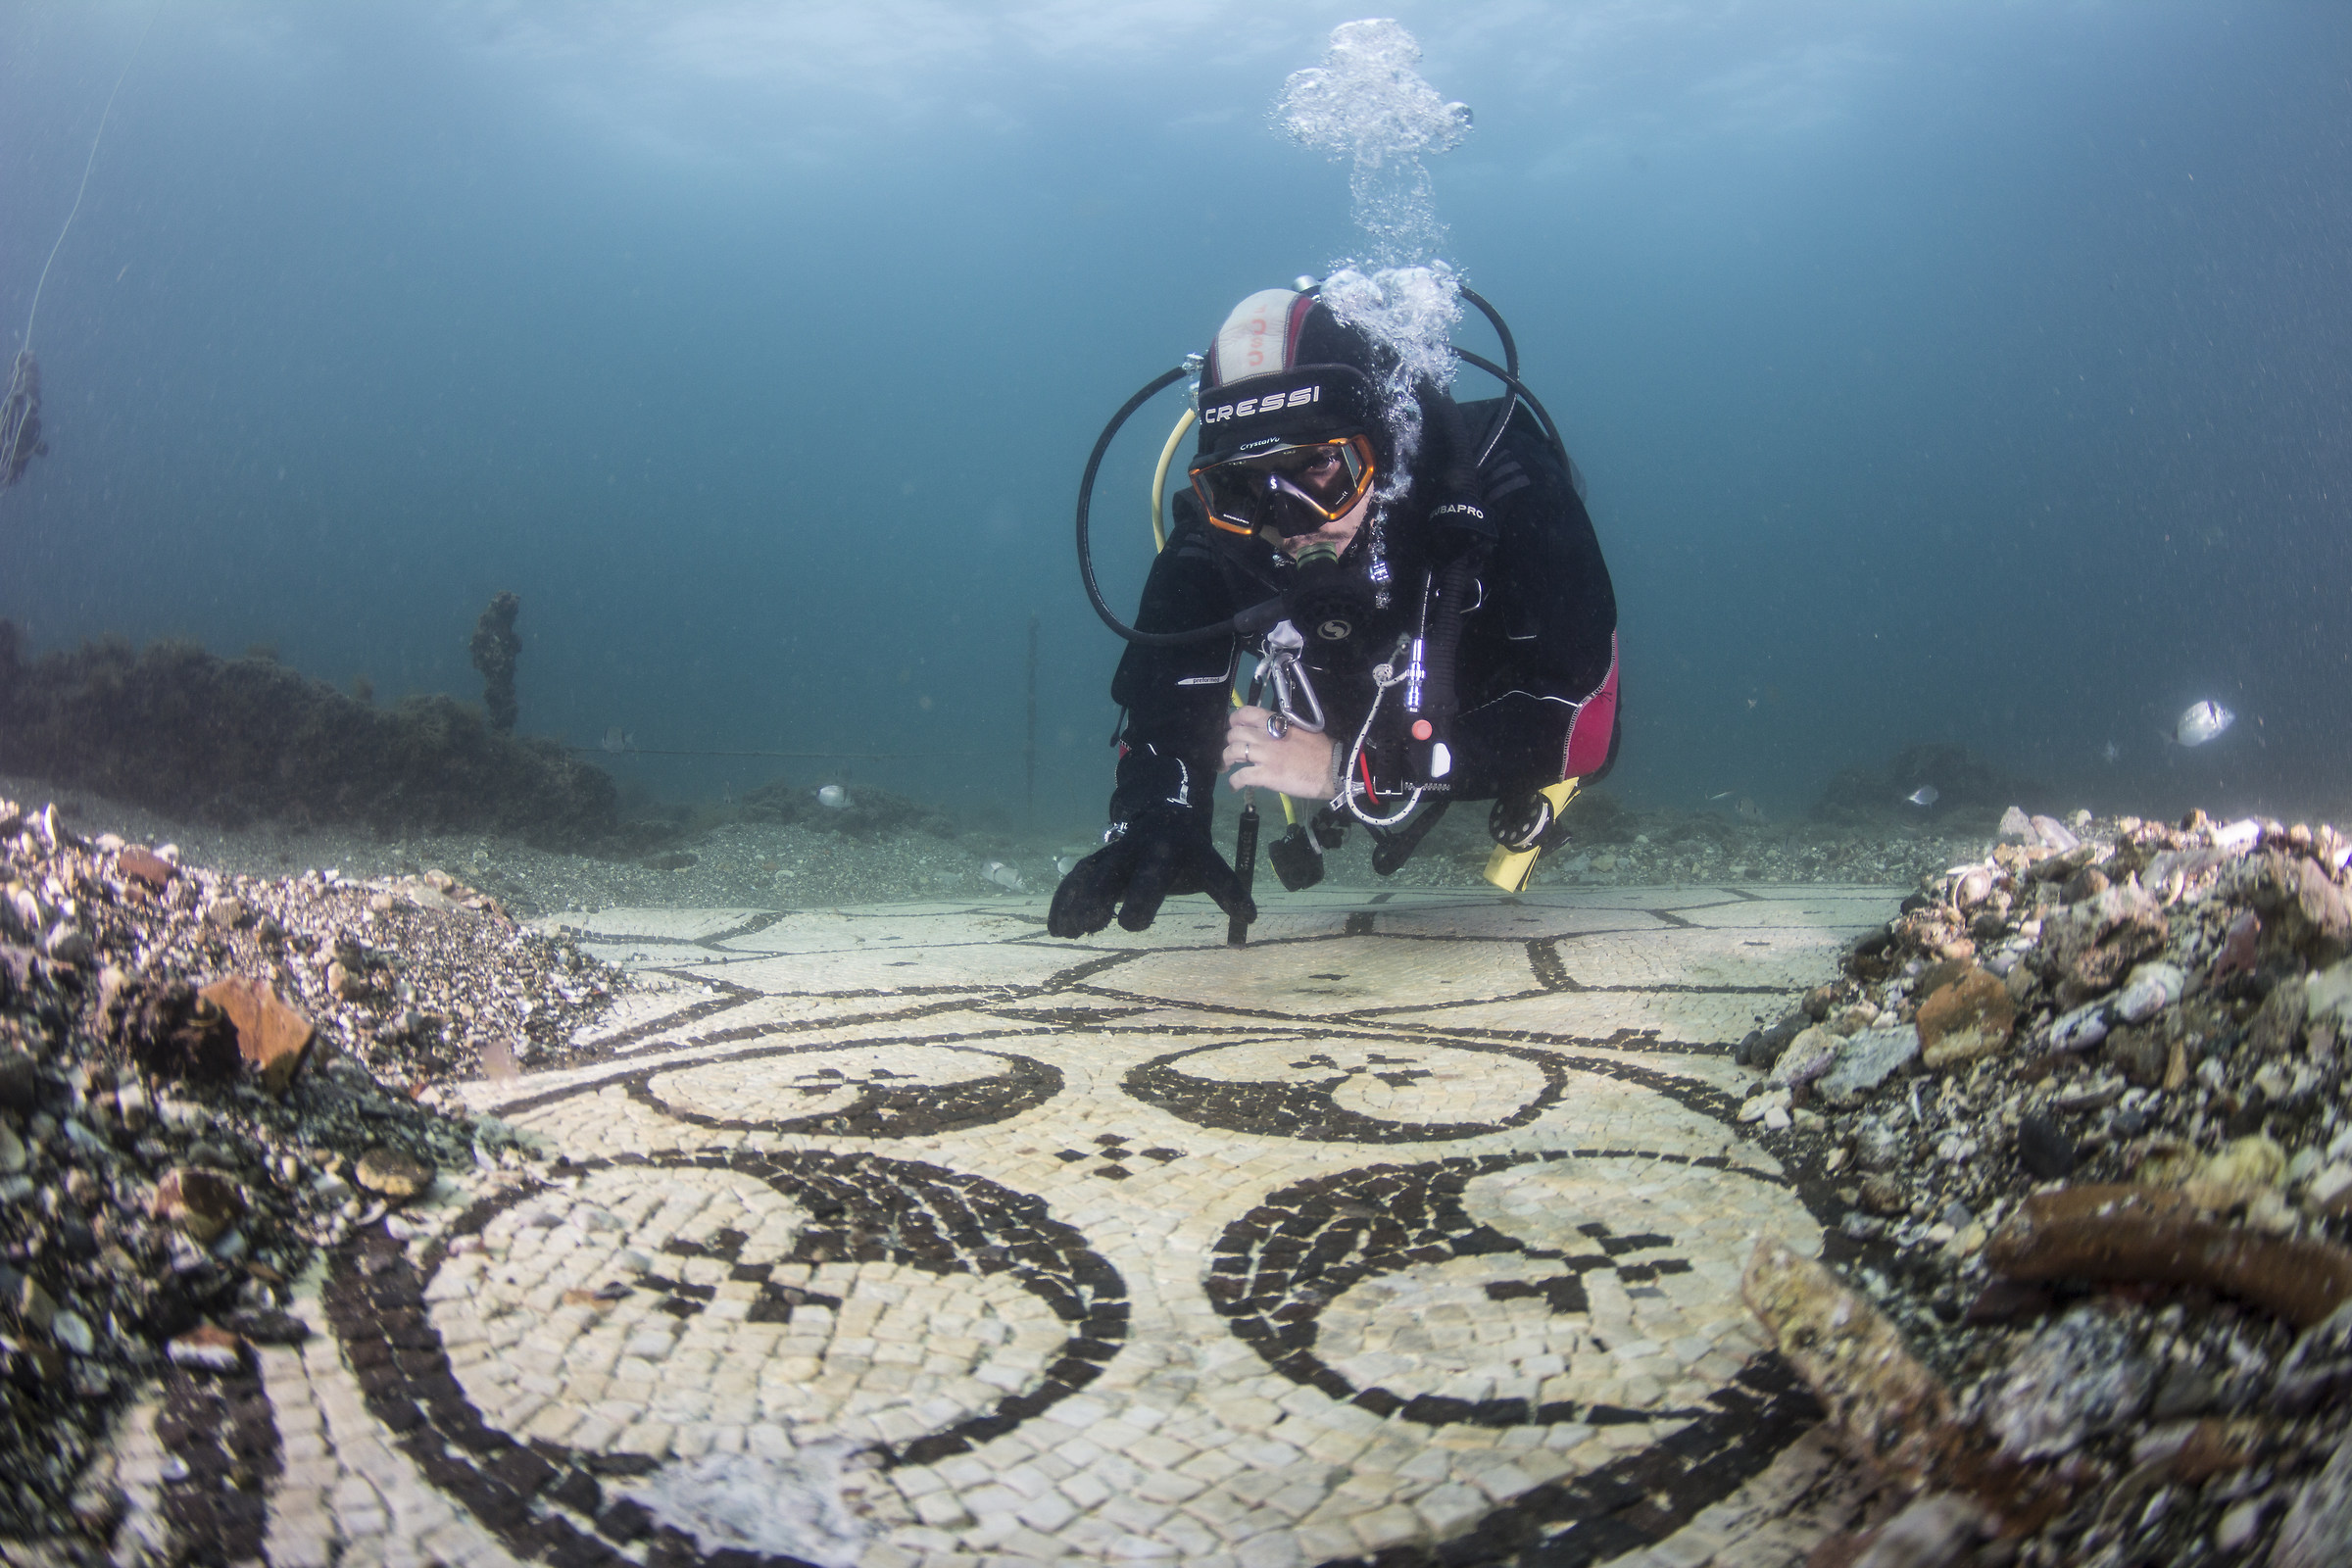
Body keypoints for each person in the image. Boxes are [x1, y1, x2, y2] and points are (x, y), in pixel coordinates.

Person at [1049, 284, 1619, 939]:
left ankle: (1516, 791)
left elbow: (1592, 723)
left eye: (1319, 467)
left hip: (1490, 691)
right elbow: (1167, 691)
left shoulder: (1507, 484)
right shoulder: (1223, 537)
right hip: (1369, 723)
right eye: (1241, 485)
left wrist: (1347, 768)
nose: (1289, 523)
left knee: (1555, 757)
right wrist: (1158, 813)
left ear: (1382, 444)